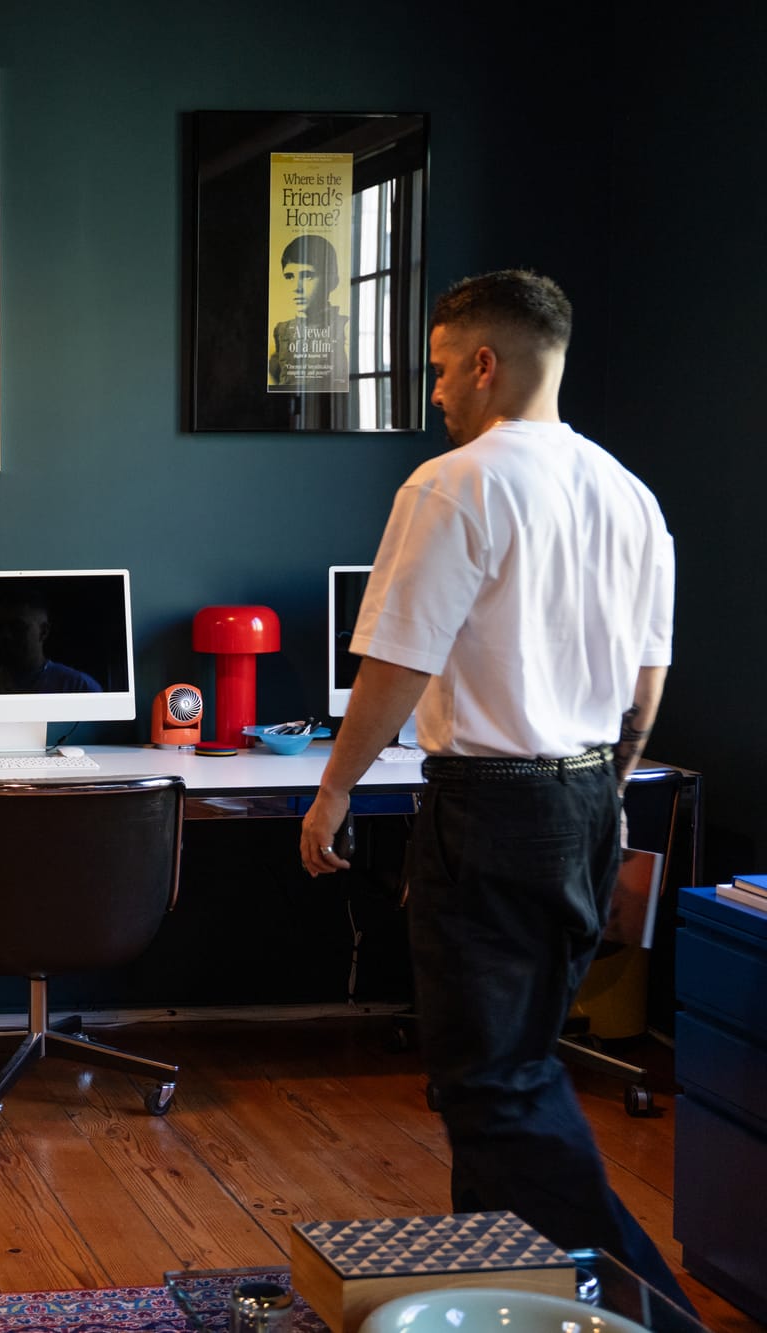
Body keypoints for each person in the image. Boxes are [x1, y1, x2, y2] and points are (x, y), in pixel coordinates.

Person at [298, 270, 686, 1306]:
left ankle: (650, 1310)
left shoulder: (451, 483)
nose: (431, 394)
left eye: (434, 370)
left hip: (491, 808)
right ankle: (506, 1301)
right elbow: (645, 679)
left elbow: (395, 663)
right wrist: (604, 791)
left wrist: (333, 789)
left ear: (482, 362)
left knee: (491, 1086)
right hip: (585, 803)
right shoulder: (628, 494)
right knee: (510, 1066)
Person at [0, 594, 101, 694]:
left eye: (17, 627)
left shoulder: (79, 688)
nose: (5, 635)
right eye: (0, 628)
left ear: (43, 631)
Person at [269, 234, 350, 390]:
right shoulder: (281, 330)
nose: (296, 287)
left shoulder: (345, 326)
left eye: (307, 276)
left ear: (332, 281)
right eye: (289, 276)